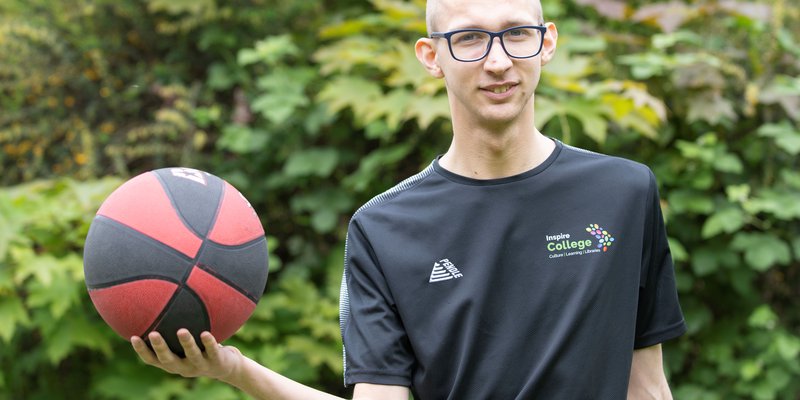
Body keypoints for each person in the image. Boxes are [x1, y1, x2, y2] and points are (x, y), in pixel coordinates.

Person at [131, 0, 686, 398]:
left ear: (547, 42)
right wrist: (235, 370)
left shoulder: (624, 194)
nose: (498, 61)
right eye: (469, 38)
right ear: (430, 55)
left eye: (517, 33)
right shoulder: (384, 228)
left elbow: (647, 387)